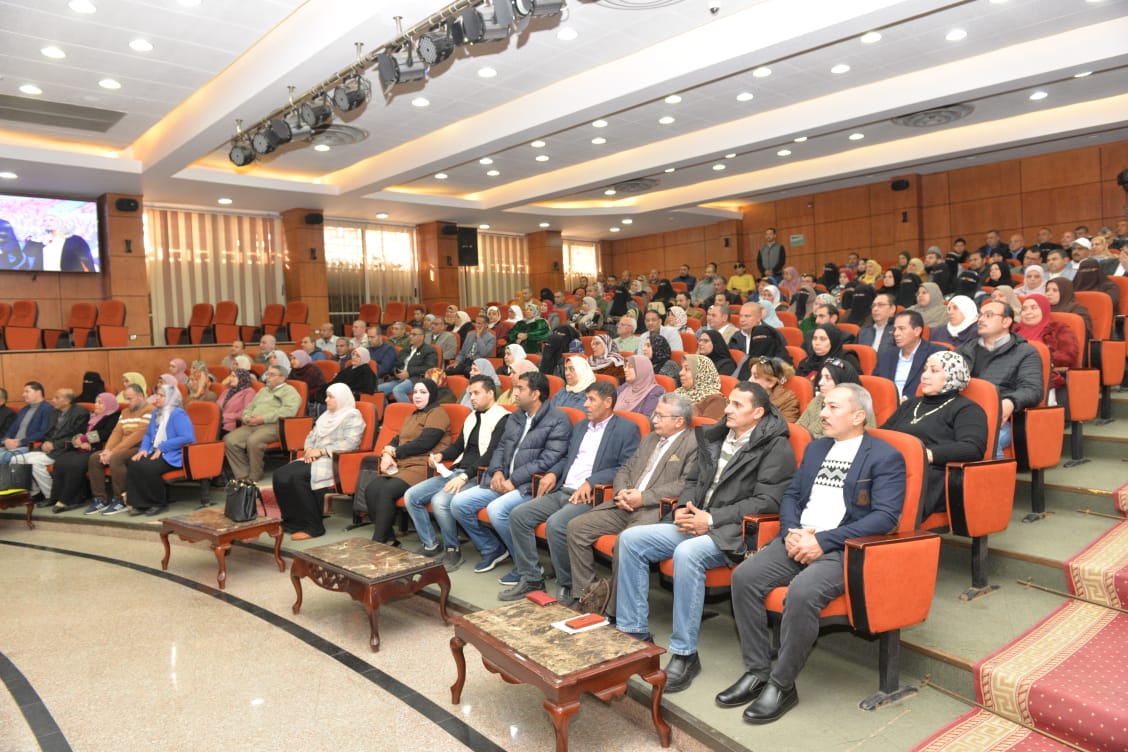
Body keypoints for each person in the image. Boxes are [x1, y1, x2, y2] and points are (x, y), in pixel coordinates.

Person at [721, 384, 906, 723]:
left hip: (842, 547)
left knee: (802, 593)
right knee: (744, 577)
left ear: (858, 416)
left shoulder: (884, 456)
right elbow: (791, 496)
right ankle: (758, 671)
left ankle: (782, 684)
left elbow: (885, 517)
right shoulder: (817, 448)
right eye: (823, 406)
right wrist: (793, 531)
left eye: (833, 407)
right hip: (799, 537)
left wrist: (824, 540)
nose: (822, 413)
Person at [616, 382, 796, 693]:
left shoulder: (775, 446)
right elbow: (693, 480)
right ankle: (635, 633)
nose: (728, 409)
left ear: (757, 412)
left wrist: (711, 519)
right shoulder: (716, 435)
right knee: (631, 540)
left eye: (737, 405)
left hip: (732, 530)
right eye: (729, 402)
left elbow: (767, 502)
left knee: (687, 554)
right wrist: (685, 509)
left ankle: (685, 653)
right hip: (696, 519)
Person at [502, 381, 641, 600]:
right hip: (563, 489)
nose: (585, 404)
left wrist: (592, 481)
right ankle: (531, 578)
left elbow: (627, 467)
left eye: (591, 400)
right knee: (519, 515)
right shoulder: (581, 426)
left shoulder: (626, 429)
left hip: (590, 496)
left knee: (556, 525)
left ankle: (568, 584)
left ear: (608, 402)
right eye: (585, 399)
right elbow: (567, 457)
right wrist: (553, 473)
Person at [567, 392, 698, 615]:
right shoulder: (650, 438)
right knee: (576, 527)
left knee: (625, 542)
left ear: (679, 421)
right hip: (624, 504)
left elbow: (685, 484)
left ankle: (613, 609)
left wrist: (643, 497)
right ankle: (587, 595)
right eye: (654, 414)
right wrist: (621, 492)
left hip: (653, 510)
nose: (654, 419)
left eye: (660, 416)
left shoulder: (693, 444)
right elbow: (625, 468)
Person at [450, 371, 571, 573]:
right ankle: (492, 548)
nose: (514, 393)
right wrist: (497, 471)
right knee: (459, 504)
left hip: (529, 485)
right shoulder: (516, 416)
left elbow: (548, 460)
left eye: (520, 389)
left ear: (535, 394)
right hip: (502, 480)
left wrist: (513, 480)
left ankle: (528, 567)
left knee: (497, 510)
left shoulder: (558, 420)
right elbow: (500, 447)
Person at [406, 375, 511, 571]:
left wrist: (464, 477)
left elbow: (491, 454)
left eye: (477, 393)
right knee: (411, 496)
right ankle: (431, 545)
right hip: (456, 470)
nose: (472, 397)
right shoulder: (472, 416)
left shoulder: (503, 418)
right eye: (470, 394)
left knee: (440, 501)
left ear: (490, 393)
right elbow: (458, 447)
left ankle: (453, 549)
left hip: (479, 474)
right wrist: (441, 455)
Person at [882, 351, 987, 517]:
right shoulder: (910, 404)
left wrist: (926, 454)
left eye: (934, 370)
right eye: (925, 369)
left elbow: (972, 448)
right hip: (893, 466)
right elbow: (882, 434)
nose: (925, 375)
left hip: (931, 474)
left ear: (953, 376)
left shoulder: (967, 409)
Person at [360, 379, 451, 545]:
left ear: (432, 394)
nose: (417, 396)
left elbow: (425, 443)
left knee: (386, 491)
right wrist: (387, 452)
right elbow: (397, 439)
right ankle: (389, 539)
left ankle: (377, 542)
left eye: (423, 392)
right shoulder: (412, 414)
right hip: (403, 465)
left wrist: (394, 452)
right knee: (371, 489)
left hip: (422, 466)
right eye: (415, 392)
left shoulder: (437, 413)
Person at [958, 300, 1043, 455]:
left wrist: (1010, 401)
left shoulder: (1025, 352)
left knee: (984, 438)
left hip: (999, 418)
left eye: (988, 315)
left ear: (1006, 322)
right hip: (960, 415)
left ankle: (994, 471)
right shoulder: (963, 350)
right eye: (980, 315)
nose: (981, 319)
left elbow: (1032, 389)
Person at [125, 384, 194, 516]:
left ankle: (158, 502)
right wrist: (143, 449)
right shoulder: (156, 412)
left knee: (149, 467)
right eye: (157, 394)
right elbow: (148, 435)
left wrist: (163, 447)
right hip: (155, 450)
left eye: (162, 395)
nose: (158, 398)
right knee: (134, 463)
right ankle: (139, 504)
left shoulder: (178, 413)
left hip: (174, 454)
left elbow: (187, 437)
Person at [83, 384, 152, 515]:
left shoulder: (150, 410)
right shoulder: (125, 412)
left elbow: (137, 436)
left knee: (116, 458)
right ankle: (100, 499)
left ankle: (121, 499)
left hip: (140, 447)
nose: (127, 402)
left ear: (140, 396)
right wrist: (107, 450)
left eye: (130, 399)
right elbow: (117, 433)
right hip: (121, 447)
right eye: (126, 399)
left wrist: (113, 452)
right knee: (95, 458)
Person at [223, 365, 301, 481]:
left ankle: (255, 475)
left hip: (274, 425)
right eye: (267, 374)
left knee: (253, 441)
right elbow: (249, 407)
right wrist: (247, 418)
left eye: (272, 375)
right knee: (229, 440)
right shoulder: (263, 390)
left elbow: (289, 411)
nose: (267, 377)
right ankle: (242, 475)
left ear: (282, 378)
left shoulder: (289, 391)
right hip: (253, 424)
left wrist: (263, 419)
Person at [48, 392, 119, 512]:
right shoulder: (92, 416)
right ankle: (56, 497)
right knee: (61, 461)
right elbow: (78, 432)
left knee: (75, 464)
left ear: (109, 404)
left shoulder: (114, 417)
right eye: (96, 402)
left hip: (98, 449)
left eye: (100, 403)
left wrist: (85, 439)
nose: (96, 405)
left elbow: (106, 433)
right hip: (81, 448)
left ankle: (67, 500)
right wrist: (79, 441)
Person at [21, 388, 88, 504]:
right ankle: (35, 493)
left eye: (57, 398)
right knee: (17, 459)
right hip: (49, 446)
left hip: (65, 449)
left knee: (34, 462)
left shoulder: (80, 413)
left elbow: (76, 436)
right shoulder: (54, 412)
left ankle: (51, 495)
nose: (52, 400)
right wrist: (46, 443)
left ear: (67, 401)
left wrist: (55, 445)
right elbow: (49, 432)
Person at [1014, 294, 1079, 395]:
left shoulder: (1059, 329)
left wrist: (1037, 359)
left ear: (1044, 309)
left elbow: (1068, 356)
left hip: (1043, 376)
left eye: (1034, 308)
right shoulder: (1014, 331)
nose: (1028, 312)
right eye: (1024, 309)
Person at [874, 310, 944, 401]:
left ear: (917, 331)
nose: (896, 333)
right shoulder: (886, 355)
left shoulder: (936, 354)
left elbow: (940, 388)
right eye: (895, 329)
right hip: (887, 404)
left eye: (902, 329)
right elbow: (876, 385)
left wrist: (908, 401)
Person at [797, 359, 873, 439]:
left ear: (841, 381)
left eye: (828, 378)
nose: (820, 383)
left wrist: (810, 437)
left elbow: (856, 438)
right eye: (821, 377)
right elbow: (798, 428)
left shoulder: (860, 406)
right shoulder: (818, 400)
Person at [378, 326, 438, 403]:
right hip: (399, 379)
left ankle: (411, 410)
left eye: (414, 334)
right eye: (410, 334)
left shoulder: (429, 350)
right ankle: (387, 410)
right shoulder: (405, 349)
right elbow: (396, 364)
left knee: (398, 390)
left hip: (416, 379)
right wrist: (396, 372)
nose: (410, 336)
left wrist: (409, 372)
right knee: (378, 390)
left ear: (422, 337)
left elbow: (429, 367)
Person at [730, 302, 789, 380]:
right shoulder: (736, 337)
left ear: (759, 317)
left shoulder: (772, 334)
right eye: (740, 316)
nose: (742, 320)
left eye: (747, 316)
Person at [0, 382, 54, 464]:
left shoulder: (48, 409)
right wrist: (6, 440)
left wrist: (20, 442)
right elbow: (12, 429)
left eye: (27, 391)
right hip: (11, 445)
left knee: (2, 457)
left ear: (38, 392)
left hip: (29, 445)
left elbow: (43, 432)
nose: (23, 394)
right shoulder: (24, 409)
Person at [676, 354, 726, 421]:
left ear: (701, 374)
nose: (680, 373)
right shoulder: (678, 392)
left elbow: (706, 426)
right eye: (682, 368)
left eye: (687, 369)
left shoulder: (716, 400)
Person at [749, 357, 799, 422]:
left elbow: (785, 427)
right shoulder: (745, 395)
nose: (749, 380)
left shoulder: (788, 403)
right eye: (751, 375)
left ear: (771, 382)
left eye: (755, 377)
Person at [216, 368, 256, 436]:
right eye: (231, 376)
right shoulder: (227, 391)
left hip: (231, 426)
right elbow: (216, 406)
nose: (231, 379)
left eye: (234, 376)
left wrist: (224, 417)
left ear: (242, 378)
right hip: (218, 422)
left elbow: (245, 412)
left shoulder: (249, 392)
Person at [289, 349, 327, 416]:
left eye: (294, 358)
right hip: (296, 398)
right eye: (291, 359)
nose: (292, 361)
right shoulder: (293, 371)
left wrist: (303, 396)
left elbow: (319, 388)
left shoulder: (313, 370)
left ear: (301, 358)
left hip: (313, 399)